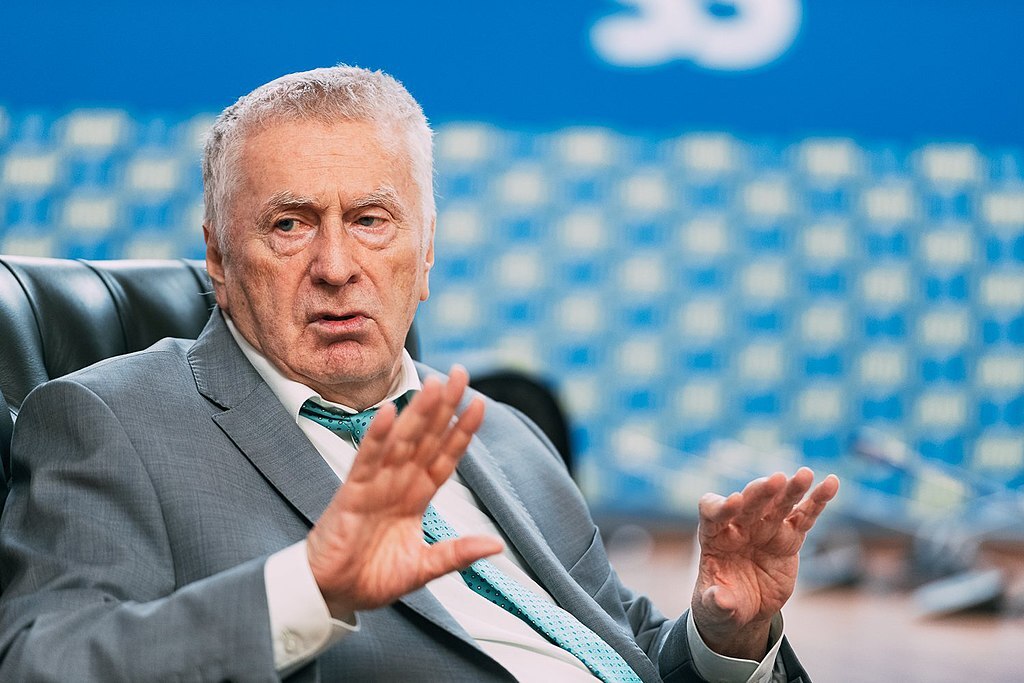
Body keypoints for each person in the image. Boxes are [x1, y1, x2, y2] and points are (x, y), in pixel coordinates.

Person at [0, 65, 839, 682]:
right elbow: (45, 663)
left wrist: (725, 636)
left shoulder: (502, 433)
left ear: (426, 253)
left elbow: (624, 648)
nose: (337, 266)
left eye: (371, 220)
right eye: (290, 224)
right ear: (218, 258)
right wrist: (310, 587)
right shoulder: (109, 420)